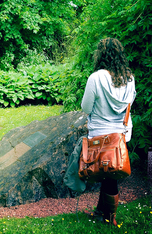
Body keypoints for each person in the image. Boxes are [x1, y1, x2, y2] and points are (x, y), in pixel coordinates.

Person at [64, 38, 136, 226]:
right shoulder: (129, 78)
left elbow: (86, 107)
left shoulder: (95, 78)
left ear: (101, 55)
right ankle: (100, 212)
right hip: (120, 135)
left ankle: (109, 218)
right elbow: (129, 106)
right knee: (108, 172)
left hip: (99, 135)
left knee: (109, 174)